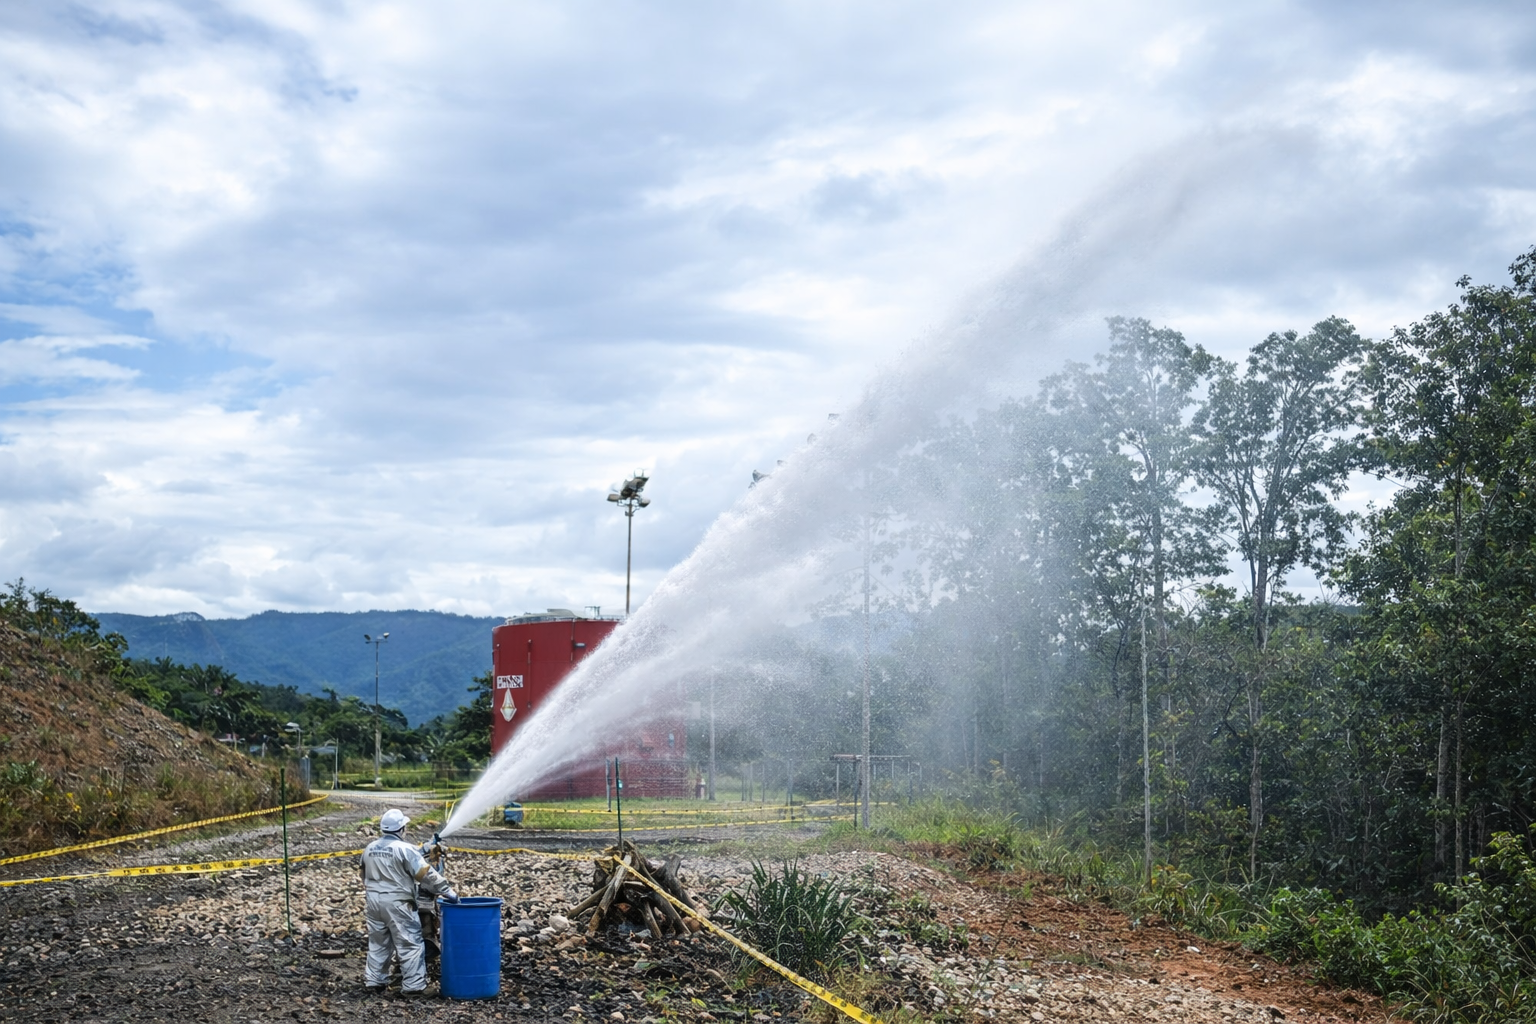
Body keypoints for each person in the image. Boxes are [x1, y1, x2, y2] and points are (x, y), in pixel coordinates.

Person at [361, 808, 458, 994]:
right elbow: (426, 874)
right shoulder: (405, 850)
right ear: (401, 829)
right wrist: (447, 891)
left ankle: (374, 982)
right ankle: (414, 988)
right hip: (398, 903)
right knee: (410, 944)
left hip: (373, 902)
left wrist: (425, 847)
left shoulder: (370, 848)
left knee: (378, 943)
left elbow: (363, 875)